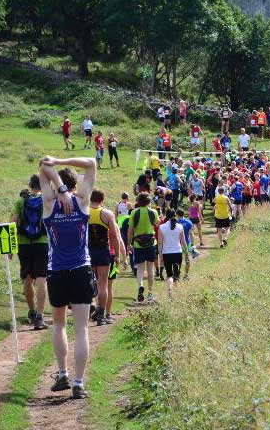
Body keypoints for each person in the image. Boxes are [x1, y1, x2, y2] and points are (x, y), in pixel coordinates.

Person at [38, 155, 97, 399]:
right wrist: (63, 160)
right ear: (76, 185)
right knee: (81, 329)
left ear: (56, 184)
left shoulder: (49, 204)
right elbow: (92, 162)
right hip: (81, 269)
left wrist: (58, 188)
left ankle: (62, 373)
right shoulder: (83, 201)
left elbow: (43, 166)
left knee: (59, 323)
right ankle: (79, 383)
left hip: (56, 271)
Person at [12, 175, 49, 330]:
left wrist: (11, 248)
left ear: (30, 185)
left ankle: (32, 311)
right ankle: (40, 317)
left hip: (23, 243)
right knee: (41, 279)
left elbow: (13, 222)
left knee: (27, 278)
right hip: (42, 242)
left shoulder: (21, 201)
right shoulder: (46, 200)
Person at [87, 189, 123, 326]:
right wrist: (118, 255)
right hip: (103, 251)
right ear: (102, 199)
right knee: (103, 285)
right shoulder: (107, 214)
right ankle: (101, 315)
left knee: (90, 282)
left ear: (91, 198)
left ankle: (91, 306)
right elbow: (114, 235)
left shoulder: (84, 212)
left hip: (88, 251)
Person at [127, 192, 158, 303]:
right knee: (150, 269)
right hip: (150, 244)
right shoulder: (153, 212)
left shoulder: (134, 213)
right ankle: (150, 293)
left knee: (140, 269)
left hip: (138, 244)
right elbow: (157, 223)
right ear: (149, 201)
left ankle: (140, 286)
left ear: (138, 201)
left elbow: (130, 231)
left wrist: (128, 245)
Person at [157, 209, 188, 299]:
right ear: (175, 215)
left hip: (166, 253)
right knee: (176, 274)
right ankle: (176, 292)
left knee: (169, 274)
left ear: (166, 216)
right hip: (177, 252)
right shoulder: (180, 227)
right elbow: (183, 242)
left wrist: (161, 255)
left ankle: (170, 289)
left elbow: (160, 243)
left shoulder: (161, 227)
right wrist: (186, 254)